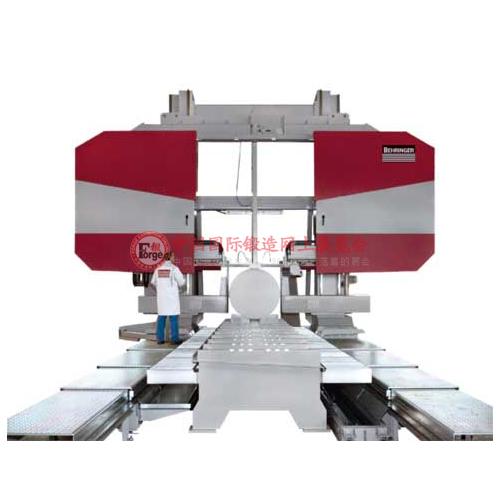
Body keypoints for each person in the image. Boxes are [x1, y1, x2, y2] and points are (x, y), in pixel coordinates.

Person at [150, 251, 185, 344]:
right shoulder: (174, 269)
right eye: (173, 256)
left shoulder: (158, 269)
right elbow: (182, 283)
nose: (174, 258)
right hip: (172, 298)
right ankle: (175, 339)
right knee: (174, 319)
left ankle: (160, 339)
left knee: (161, 318)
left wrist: (159, 290)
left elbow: (152, 283)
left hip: (162, 299)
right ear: (170, 257)